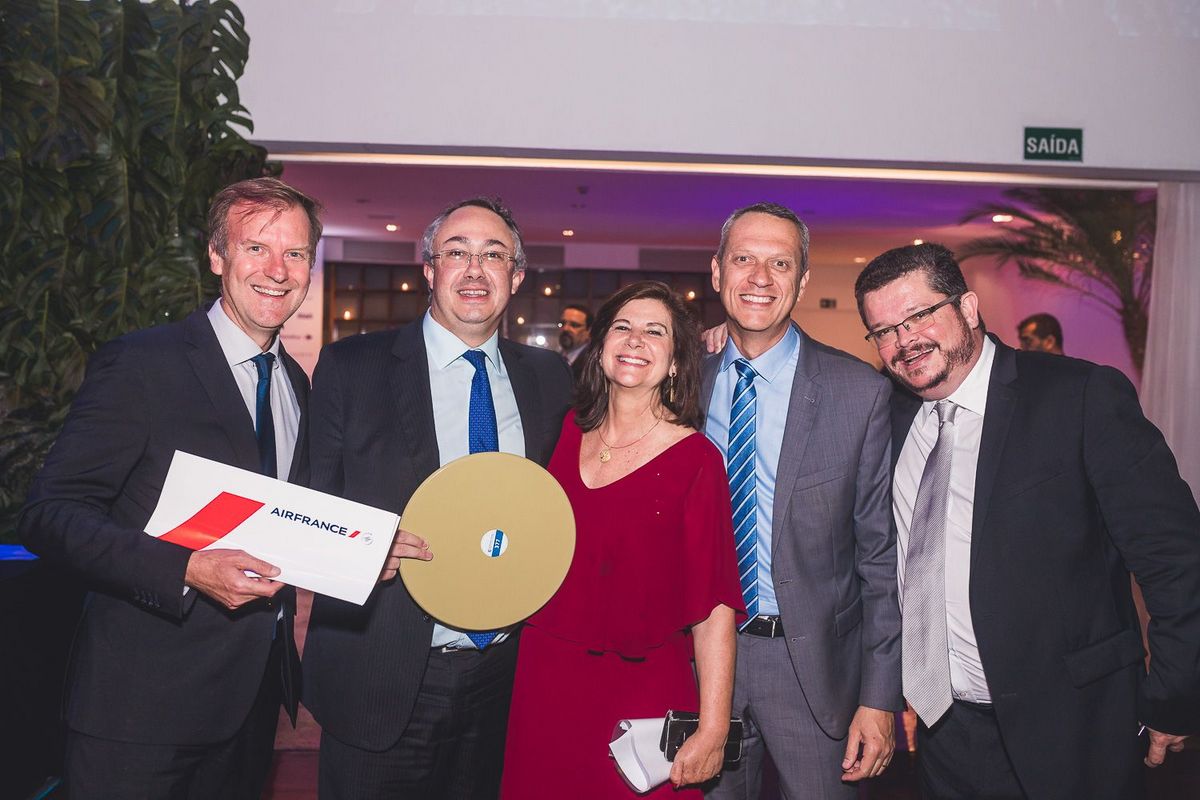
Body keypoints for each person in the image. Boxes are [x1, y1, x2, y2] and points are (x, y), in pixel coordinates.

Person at [854, 242, 1200, 799]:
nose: (904, 340)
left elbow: (1175, 559)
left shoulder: (1080, 396)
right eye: (884, 331)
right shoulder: (887, 416)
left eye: (919, 315)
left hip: (1076, 724)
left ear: (968, 308)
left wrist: (1174, 695)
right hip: (947, 732)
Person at [18, 177, 322, 798]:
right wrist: (186, 568)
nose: (277, 271)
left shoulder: (294, 383)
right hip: (139, 713)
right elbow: (50, 514)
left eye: (295, 253)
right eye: (256, 248)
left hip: (249, 711)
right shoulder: (142, 365)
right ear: (216, 256)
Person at [301, 197, 573, 799]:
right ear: (429, 269)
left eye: (493, 255)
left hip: (506, 679)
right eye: (456, 252)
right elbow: (310, 502)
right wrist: (360, 547)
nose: (474, 270)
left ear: (516, 277)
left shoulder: (549, 377)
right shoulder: (353, 367)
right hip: (384, 672)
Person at [500, 281, 743, 799]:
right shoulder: (564, 433)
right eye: (622, 327)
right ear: (600, 347)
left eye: (655, 332)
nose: (635, 340)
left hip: (640, 696)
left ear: (675, 362)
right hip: (543, 678)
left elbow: (714, 607)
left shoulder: (698, 461)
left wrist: (713, 726)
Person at [702, 203, 902, 800]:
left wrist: (879, 697)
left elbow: (880, 559)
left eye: (781, 263)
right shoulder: (680, 378)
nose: (760, 278)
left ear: (803, 280)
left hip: (813, 669)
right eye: (744, 259)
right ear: (717, 272)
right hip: (699, 660)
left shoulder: (859, 392)